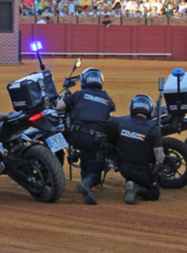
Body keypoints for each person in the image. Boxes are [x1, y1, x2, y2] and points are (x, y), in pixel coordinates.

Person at [56, 67, 116, 204]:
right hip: (95, 140)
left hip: (75, 137)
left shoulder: (78, 94)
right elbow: (113, 109)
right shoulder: (107, 98)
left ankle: (71, 176)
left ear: (84, 81)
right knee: (95, 172)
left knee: (65, 143)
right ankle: (88, 182)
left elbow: (58, 106)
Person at [106, 95, 164, 204]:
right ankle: (138, 189)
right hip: (143, 171)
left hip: (125, 168)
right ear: (149, 110)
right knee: (154, 194)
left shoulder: (122, 123)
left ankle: (131, 184)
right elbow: (160, 158)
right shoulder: (153, 129)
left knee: (131, 173)